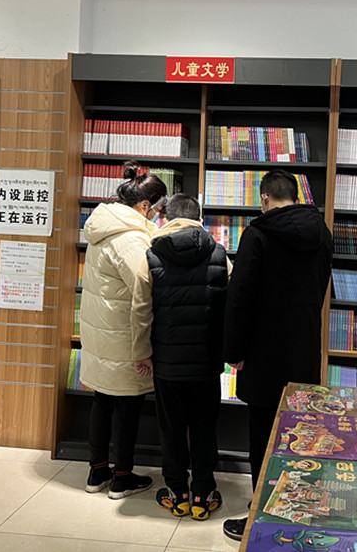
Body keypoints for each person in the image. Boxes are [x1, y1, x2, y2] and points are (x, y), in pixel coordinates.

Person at [220, 169, 332, 540]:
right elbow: (319, 289)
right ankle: (294, 511)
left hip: (263, 353)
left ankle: (260, 516)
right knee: (299, 437)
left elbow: (240, 298)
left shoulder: (257, 235)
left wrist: (233, 350)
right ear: (296, 197)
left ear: (264, 198)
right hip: (304, 351)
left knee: (263, 437)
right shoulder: (322, 234)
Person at [131, 193, 231, 520]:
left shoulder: (150, 256)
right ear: (199, 219)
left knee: (172, 430)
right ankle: (203, 493)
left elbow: (140, 312)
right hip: (206, 362)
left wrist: (142, 353)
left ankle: (177, 493)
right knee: (204, 428)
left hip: (167, 363)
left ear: (167, 220)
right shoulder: (219, 254)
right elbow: (230, 307)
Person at [79, 162, 168, 499]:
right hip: (123, 333)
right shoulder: (130, 238)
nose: (159, 216)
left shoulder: (105, 227)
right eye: (158, 209)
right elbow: (145, 286)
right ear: (145, 205)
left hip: (101, 330)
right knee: (127, 405)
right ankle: (122, 476)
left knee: (102, 400)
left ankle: (97, 471)